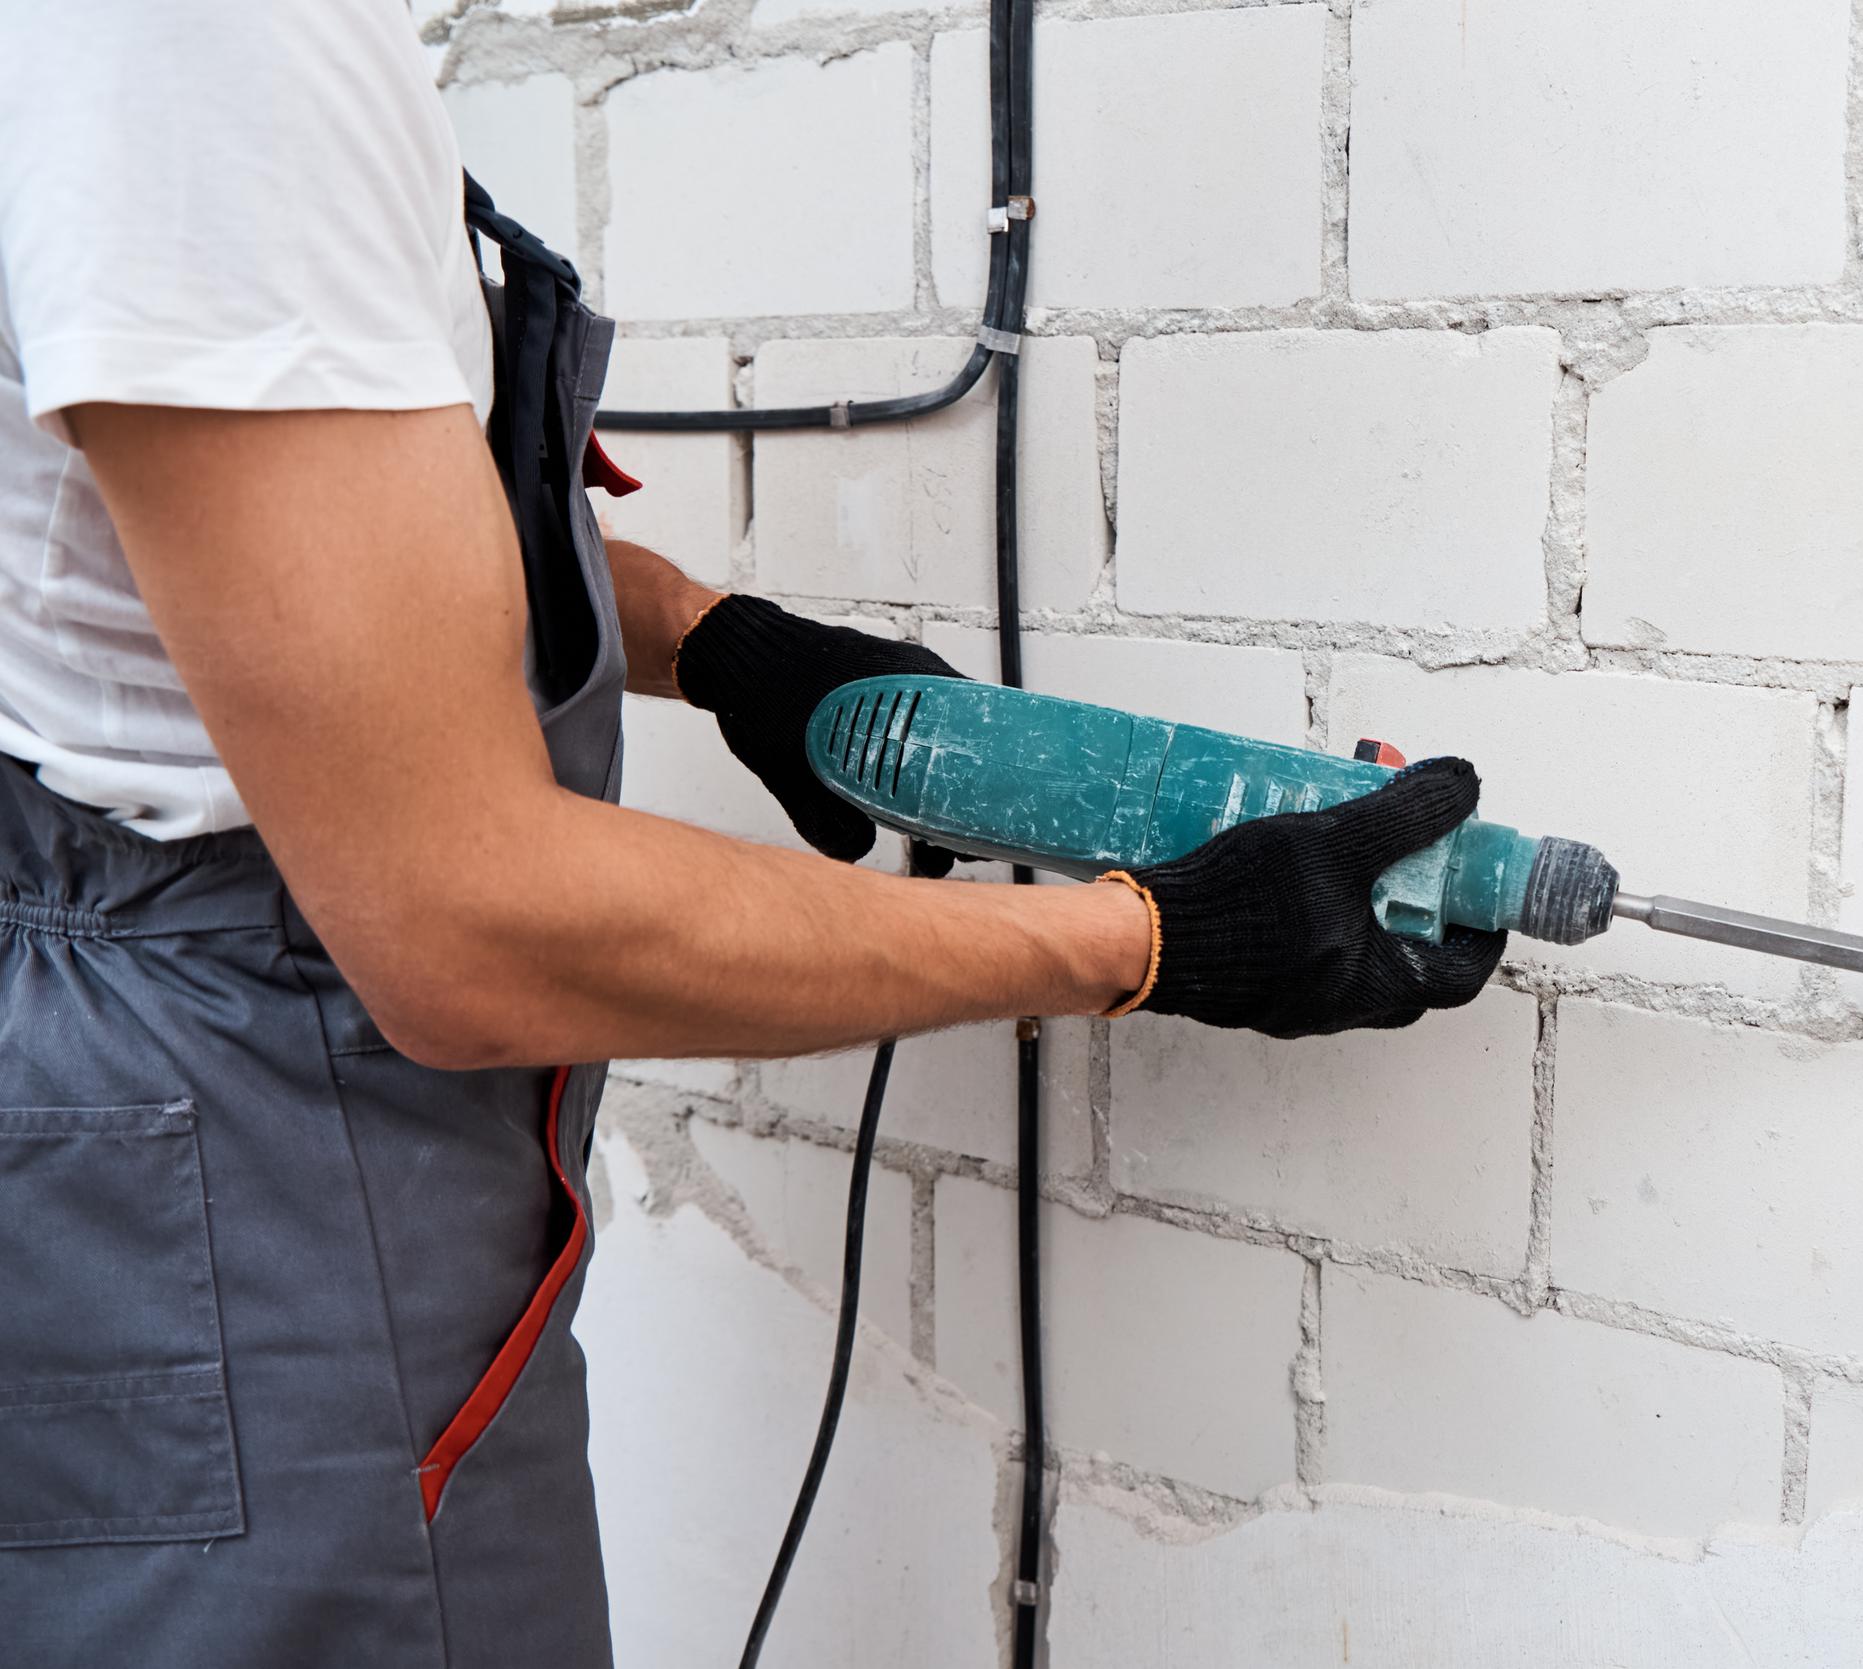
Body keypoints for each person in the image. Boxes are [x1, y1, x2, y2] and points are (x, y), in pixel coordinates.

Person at [0, 3, 1505, 1665]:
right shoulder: (188, 50)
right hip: (262, 1175)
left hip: (227, 1111)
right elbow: (467, 919)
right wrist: (1148, 938)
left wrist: (718, 642)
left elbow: (301, 574)